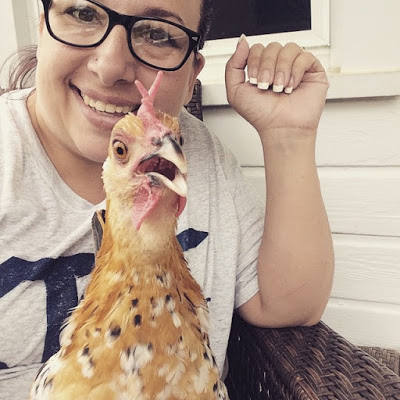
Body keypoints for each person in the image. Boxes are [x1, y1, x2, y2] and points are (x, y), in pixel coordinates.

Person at [0, 0, 334, 398]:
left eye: (157, 34)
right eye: (84, 13)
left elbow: (292, 306)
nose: (110, 67)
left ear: (192, 74)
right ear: (43, 29)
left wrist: (288, 138)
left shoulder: (203, 159)